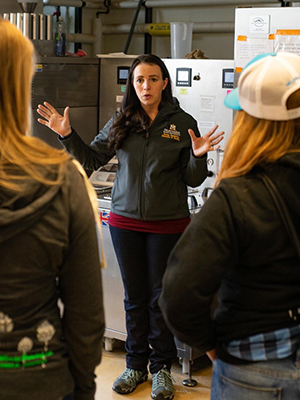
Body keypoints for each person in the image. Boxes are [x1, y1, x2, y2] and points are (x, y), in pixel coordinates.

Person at [37, 53, 224, 400]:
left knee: (159, 297)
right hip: (124, 221)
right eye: (139, 80)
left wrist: (199, 157)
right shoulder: (122, 119)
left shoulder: (182, 122)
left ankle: (162, 369)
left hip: (167, 223)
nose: (145, 86)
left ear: (164, 82)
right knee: (134, 297)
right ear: (132, 84)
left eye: (153, 79)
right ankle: (135, 364)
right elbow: (92, 160)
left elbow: (193, 179)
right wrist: (67, 135)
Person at [159, 51, 300, 400]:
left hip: (254, 369)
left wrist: (212, 348)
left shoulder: (238, 195)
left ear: (248, 120)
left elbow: (178, 296)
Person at [0, 18, 105, 400]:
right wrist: (82, 388)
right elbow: (86, 314)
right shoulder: (60, 179)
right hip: (39, 380)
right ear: (20, 85)